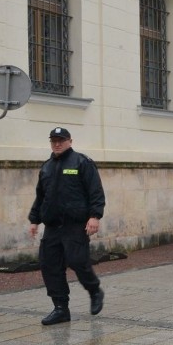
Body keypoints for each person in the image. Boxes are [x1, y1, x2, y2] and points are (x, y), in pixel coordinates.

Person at [28, 127, 106, 325]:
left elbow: (95, 191)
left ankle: (94, 290)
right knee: (50, 266)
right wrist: (34, 220)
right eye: (53, 140)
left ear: (70, 141)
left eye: (61, 140)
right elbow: (41, 197)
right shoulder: (46, 167)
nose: (57, 143)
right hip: (53, 226)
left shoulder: (82, 162)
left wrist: (95, 216)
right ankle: (61, 308)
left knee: (77, 261)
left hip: (75, 225)